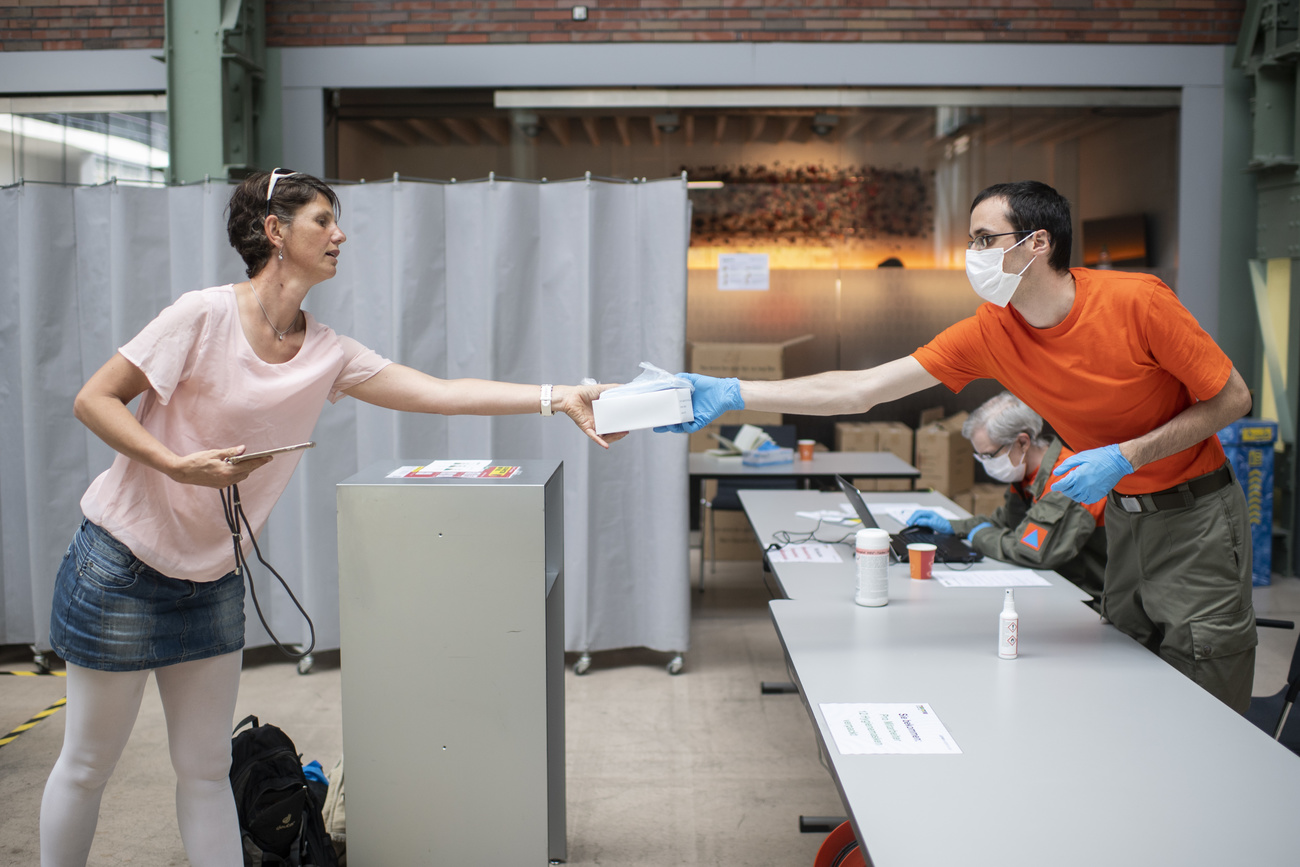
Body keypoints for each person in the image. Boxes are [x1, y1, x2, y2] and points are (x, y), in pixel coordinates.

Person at [40, 168, 619, 867]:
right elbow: (93, 399)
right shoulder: (202, 315)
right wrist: (175, 462)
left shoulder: (327, 352)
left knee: (202, 771)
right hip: (121, 567)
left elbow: (439, 393)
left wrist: (557, 396)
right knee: (87, 764)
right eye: (322, 220)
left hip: (214, 577)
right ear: (275, 231)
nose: (340, 234)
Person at [658, 180, 1257, 713]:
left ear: (1037, 244)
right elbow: (863, 389)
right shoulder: (990, 332)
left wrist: (1127, 455)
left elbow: (1233, 399)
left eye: (984, 239)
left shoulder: (1138, 303)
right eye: (968, 241)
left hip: (1196, 517)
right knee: (1129, 671)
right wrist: (735, 391)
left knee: (1205, 685)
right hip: (1126, 522)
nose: (972, 256)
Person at [907, 392, 1107, 601]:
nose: (985, 463)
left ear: (1022, 442)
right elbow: (1005, 524)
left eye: (989, 456)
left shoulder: (1066, 480)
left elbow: (1032, 552)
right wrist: (957, 527)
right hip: (1055, 587)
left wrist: (980, 537)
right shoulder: (1027, 475)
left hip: (1086, 598)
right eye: (979, 456)